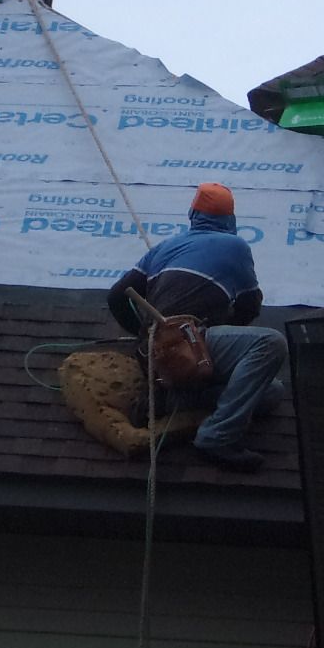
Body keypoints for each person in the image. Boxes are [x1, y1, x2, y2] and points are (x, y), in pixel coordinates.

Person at [105, 183, 287, 473]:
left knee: (271, 392)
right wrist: (216, 335)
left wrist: (144, 335)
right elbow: (250, 307)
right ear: (230, 220)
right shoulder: (234, 246)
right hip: (189, 341)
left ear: (192, 214)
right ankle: (218, 436)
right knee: (270, 344)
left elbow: (117, 296)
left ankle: (175, 399)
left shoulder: (165, 247)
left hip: (154, 355)